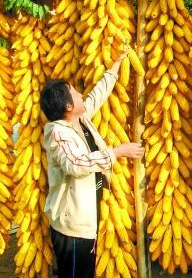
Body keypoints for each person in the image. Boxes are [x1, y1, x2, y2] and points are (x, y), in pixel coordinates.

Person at [40, 53, 144, 278]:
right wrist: (117, 152)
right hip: (72, 229)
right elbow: (75, 164)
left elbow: (97, 97)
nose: (80, 94)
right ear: (68, 106)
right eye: (75, 93)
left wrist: (115, 67)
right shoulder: (58, 133)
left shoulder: (78, 120)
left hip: (86, 219)